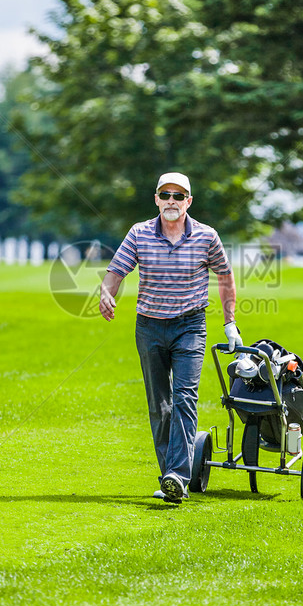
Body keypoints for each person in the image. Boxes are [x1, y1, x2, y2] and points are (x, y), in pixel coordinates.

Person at [100, 172, 239, 504]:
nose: (172, 201)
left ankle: (178, 475)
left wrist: (230, 323)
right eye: (166, 195)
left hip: (190, 326)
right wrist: (106, 293)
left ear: (189, 201)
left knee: (184, 399)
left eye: (180, 196)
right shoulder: (139, 233)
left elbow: (225, 277)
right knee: (159, 405)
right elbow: (116, 271)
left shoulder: (207, 236)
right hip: (149, 327)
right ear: (157, 200)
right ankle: (171, 478)